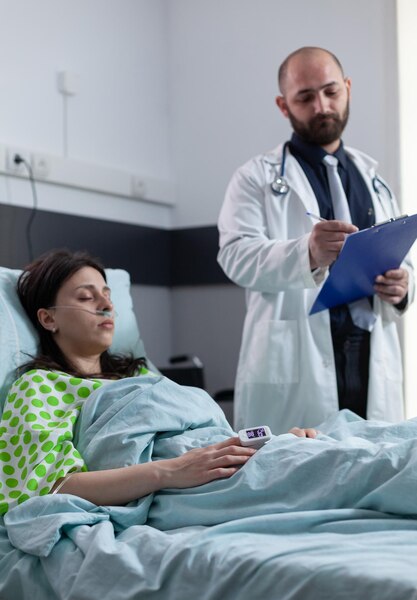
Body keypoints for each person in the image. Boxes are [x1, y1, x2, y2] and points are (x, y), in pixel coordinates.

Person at [0, 249, 317, 515]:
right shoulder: (39, 386)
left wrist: (270, 442)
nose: (107, 305)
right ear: (48, 318)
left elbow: (208, 441)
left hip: (220, 464)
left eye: (108, 295)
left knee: (317, 451)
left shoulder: (142, 378)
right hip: (180, 486)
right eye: (86, 297)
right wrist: (171, 472)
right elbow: (46, 487)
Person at [217, 46, 414, 435]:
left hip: (368, 358)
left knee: (373, 475)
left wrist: (403, 285)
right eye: (305, 97)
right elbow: (234, 255)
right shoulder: (255, 177)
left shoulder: (375, 179)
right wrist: (306, 252)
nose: (322, 106)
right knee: (300, 480)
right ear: (283, 104)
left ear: (348, 88)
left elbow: (404, 259)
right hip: (297, 362)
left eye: (331, 91)